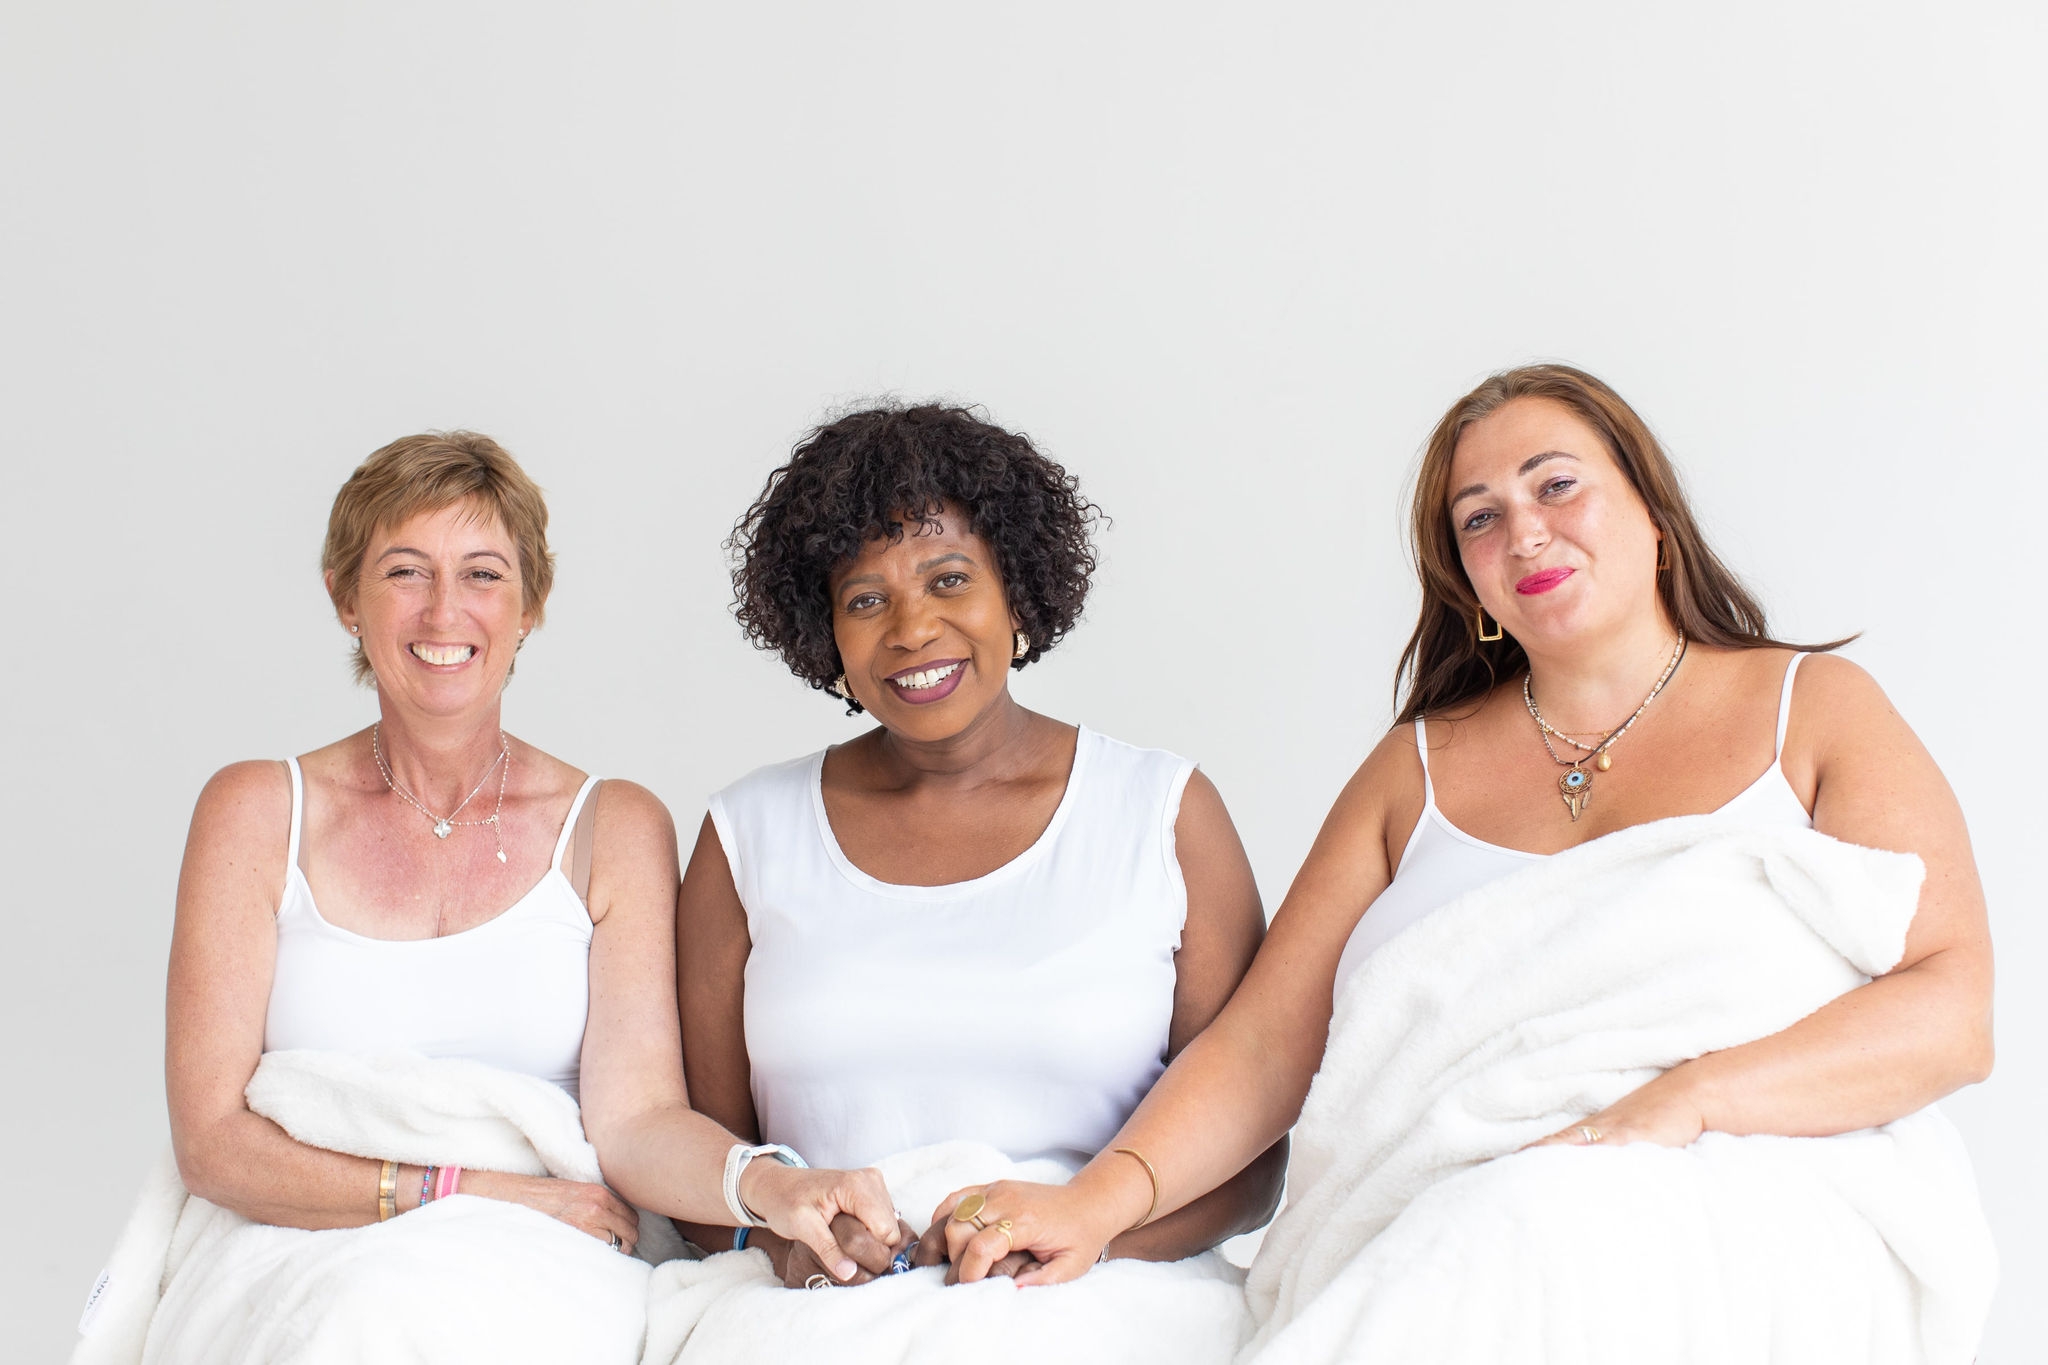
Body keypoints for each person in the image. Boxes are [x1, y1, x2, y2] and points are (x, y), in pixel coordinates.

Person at [936, 363, 1995, 1286]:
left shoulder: (1810, 708)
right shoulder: (1414, 770)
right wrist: (1096, 1202)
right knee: (1484, 1249)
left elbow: (1950, 1012)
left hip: (1749, 1193)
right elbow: (1263, 1044)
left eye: (1556, 485)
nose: (1522, 528)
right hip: (1448, 1217)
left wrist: (1679, 1106)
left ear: (1653, 517)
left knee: (1540, 1234)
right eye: (1478, 517)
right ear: (1470, 584)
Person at [159, 432, 897, 1340]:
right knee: (366, 1321)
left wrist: (776, 1184)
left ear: (530, 605)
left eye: (481, 574)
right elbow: (213, 1141)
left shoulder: (612, 826)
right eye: (403, 572)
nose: (443, 612)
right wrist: (473, 1193)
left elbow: (634, 1121)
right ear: (345, 597)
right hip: (300, 1250)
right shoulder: (256, 810)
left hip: (538, 1265)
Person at [674, 403, 1288, 1286]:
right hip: (826, 1318)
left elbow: (1251, 1165)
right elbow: (707, 1182)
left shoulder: (1163, 815)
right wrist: (795, 1252)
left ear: (1017, 590)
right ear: (827, 634)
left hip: (1099, 1302)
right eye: (866, 599)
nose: (912, 628)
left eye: (950, 580)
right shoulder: (746, 836)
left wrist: (1074, 1241)